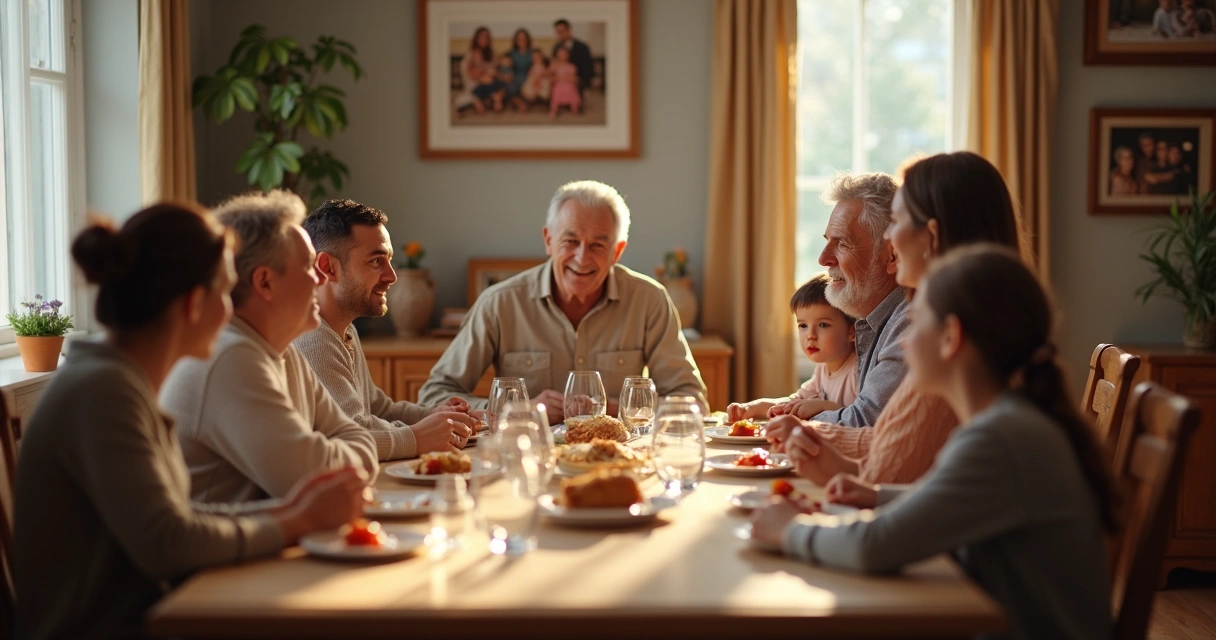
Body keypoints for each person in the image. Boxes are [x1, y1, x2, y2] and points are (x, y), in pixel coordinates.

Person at [13, 203, 367, 639]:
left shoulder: (123, 383)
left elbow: (178, 518)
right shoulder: (102, 392)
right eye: (224, 292)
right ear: (192, 304)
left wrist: (293, 510)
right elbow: (168, 543)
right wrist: (295, 521)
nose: (230, 311)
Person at [750, 245, 1118, 640]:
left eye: (915, 322)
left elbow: (874, 546)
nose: (903, 343)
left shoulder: (1001, 438)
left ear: (951, 337)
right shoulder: (1007, 423)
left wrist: (790, 530)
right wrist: (876, 496)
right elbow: (954, 501)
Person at [766, 151, 1023, 486]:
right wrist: (805, 436)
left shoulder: (943, 335)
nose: (890, 240)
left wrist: (807, 438)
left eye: (898, 222)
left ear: (930, 238)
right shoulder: (977, 324)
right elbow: (897, 447)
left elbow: (889, 471)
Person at [418, 180, 706, 425]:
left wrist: (618, 410)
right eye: (570, 241)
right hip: (526, 460)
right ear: (548, 239)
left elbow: (691, 401)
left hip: (620, 462)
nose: (582, 258)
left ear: (617, 251)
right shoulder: (500, 303)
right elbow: (435, 396)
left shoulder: (649, 300)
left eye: (597, 245)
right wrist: (517, 411)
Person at [162, 190, 379, 504]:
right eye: (307, 266)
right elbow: (314, 480)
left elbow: (356, 438)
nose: (321, 279)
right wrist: (340, 452)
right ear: (265, 282)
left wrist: (339, 451)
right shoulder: (231, 358)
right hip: (234, 552)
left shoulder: (282, 350)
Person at [295, 199, 479, 461]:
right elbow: (354, 432)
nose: (392, 276)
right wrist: (417, 436)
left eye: (389, 260)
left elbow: (379, 408)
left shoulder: (343, 329)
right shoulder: (313, 339)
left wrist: (434, 416)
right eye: (376, 261)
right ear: (327, 268)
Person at [727, 273, 857, 422]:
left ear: (851, 331)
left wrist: (824, 407)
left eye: (823, 325)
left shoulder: (858, 371)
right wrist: (751, 408)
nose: (810, 335)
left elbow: (863, 418)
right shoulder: (823, 369)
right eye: (803, 325)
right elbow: (793, 402)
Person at [551, 18, 595, 96]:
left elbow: (588, 67)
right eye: (558, 32)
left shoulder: (582, 47)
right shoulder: (556, 47)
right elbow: (554, 64)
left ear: (569, 30)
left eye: (563, 31)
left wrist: (578, 78)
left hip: (577, 77)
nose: (560, 34)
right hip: (561, 78)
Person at [549, 45, 582, 118]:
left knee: (573, 91)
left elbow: (573, 77)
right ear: (557, 56)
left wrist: (566, 78)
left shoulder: (571, 66)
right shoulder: (555, 66)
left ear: (568, 56)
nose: (563, 56)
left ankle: (575, 109)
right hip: (558, 85)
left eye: (564, 55)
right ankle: (553, 111)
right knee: (556, 93)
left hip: (569, 85)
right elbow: (551, 76)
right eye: (560, 55)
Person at [507, 28, 533, 112]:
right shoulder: (511, 53)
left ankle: (522, 103)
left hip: (529, 78)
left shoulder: (532, 53)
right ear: (516, 40)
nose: (522, 41)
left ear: (527, 40)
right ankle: (520, 104)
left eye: (524, 38)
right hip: (515, 78)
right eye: (519, 39)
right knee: (511, 87)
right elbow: (506, 67)